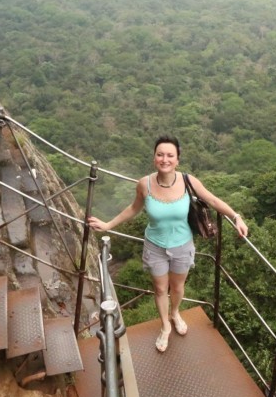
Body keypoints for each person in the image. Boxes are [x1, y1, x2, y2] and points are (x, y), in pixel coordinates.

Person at [88, 136, 248, 353]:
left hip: (183, 245)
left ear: (177, 160)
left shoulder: (187, 181)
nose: (165, 159)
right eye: (160, 154)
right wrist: (109, 225)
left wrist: (236, 216)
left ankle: (175, 313)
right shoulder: (145, 184)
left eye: (170, 155)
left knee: (178, 287)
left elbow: (212, 200)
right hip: (155, 246)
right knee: (160, 288)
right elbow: (133, 208)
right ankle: (165, 325)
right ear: (154, 158)